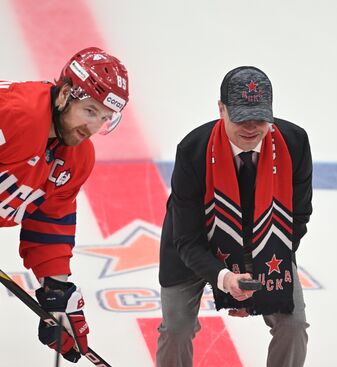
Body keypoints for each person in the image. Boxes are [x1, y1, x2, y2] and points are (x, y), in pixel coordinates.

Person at [156, 66, 313, 367]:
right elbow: (187, 239)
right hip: (196, 246)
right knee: (176, 329)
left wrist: (255, 282)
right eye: (241, 118)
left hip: (268, 247)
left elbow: (298, 217)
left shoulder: (294, 142)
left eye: (260, 118)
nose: (251, 127)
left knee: (293, 326)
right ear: (221, 109)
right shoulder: (192, 150)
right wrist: (225, 279)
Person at [0, 47, 129, 363]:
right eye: (89, 111)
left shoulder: (77, 157)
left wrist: (56, 291)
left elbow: (50, 219)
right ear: (65, 95)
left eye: (104, 118)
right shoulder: (17, 114)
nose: (93, 128)